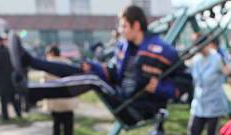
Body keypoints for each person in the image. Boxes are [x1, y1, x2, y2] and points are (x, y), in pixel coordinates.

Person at [14, 5, 191, 126]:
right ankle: (30, 61)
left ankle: (32, 92)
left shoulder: (162, 50)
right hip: (122, 96)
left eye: (123, 26)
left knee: (92, 80)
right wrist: (94, 67)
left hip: (138, 110)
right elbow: (114, 74)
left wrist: (160, 87)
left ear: (136, 25)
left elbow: (186, 81)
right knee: (84, 69)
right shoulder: (124, 46)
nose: (120, 30)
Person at [175, 35, 231, 135]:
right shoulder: (197, 60)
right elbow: (185, 65)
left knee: (212, 132)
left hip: (213, 102)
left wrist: (228, 69)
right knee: (194, 130)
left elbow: (227, 72)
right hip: (199, 102)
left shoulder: (217, 58)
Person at [42, 44, 79, 135]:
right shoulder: (68, 63)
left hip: (55, 100)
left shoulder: (47, 65)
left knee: (56, 125)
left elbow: (44, 83)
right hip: (68, 100)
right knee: (68, 126)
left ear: (51, 53)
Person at [0, 33, 21, 120]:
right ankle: (18, 113)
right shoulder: (7, 50)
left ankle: (5, 116)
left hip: (2, 79)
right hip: (9, 78)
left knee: (4, 99)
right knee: (12, 97)